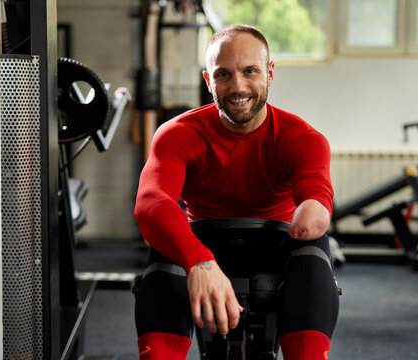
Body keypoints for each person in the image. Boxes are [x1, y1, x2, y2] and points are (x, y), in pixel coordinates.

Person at [134, 24, 339, 360]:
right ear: (208, 81)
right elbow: (151, 202)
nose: (238, 86)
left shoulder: (302, 138)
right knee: (163, 252)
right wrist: (199, 263)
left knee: (313, 253)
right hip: (201, 243)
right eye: (224, 74)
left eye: (250, 71)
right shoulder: (178, 134)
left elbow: (315, 196)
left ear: (270, 74)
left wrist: (313, 213)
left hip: (279, 244)